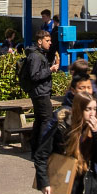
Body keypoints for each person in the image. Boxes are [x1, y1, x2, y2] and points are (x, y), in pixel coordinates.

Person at [21, 29, 58, 158]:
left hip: (40, 91)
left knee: (40, 120)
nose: (50, 43)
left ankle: (36, 150)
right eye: (47, 41)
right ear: (39, 41)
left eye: (50, 41)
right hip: (40, 92)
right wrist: (50, 70)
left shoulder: (38, 54)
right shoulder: (35, 56)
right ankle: (42, 151)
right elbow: (34, 75)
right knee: (46, 120)